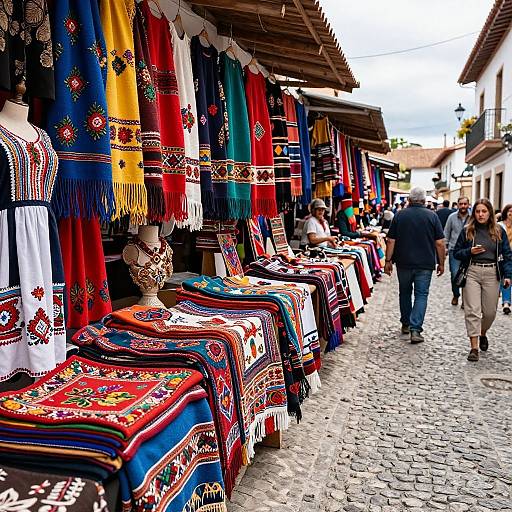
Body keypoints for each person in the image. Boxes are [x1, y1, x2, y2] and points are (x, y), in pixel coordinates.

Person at [384, 187, 445, 344]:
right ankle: (415, 329)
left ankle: (406, 323)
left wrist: (388, 261)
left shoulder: (400, 215)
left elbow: (391, 240)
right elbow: (439, 243)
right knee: (421, 294)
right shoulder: (432, 216)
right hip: (425, 263)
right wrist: (441, 263)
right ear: (424, 200)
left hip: (403, 262)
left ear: (409, 200)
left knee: (404, 292)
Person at [454, 199, 512, 361]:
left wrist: (508, 275)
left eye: (484, 211)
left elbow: (507, 255)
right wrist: (469, 252)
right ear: (474, 213)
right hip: (472, 271)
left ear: (490, 213)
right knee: (472, 310)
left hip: (492, 273)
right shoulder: (468, 230)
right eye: (478, 211)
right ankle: (474, 347)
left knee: (489, 312)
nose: (480, 214)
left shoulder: (498, 231)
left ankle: (482, 333)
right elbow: (456, 252)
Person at [444, 197, 470, 306]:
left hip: (469, 250)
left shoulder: (473, 218)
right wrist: (445, 247)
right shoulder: (451, 217)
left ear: (468, 205)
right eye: (461, 204)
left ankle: (466, 300)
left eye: (465, 204)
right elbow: (446, 233)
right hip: (454, 250)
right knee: (455, 274)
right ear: (458, 205)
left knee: (468, 275)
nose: (463, 206)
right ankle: (456, 294)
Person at [499, 203, 512, 314]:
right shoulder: (499, 226)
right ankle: (506, 302)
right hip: (503, 256)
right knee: (505, 277)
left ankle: (506, 301)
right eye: (510, 211)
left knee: (508, 278)